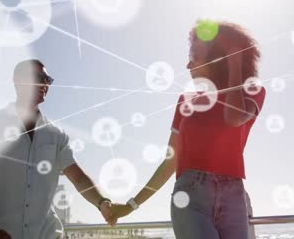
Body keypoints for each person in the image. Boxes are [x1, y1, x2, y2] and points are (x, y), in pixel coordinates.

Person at [109, 21, 266, 239]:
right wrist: (130, 205)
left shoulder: (251, 92)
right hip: (190, 195)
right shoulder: (186, 100)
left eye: (194, 57)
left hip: (234, 195)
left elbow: (233, 118)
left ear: (216, 58)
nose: (188, 65)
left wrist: (235, 64)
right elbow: (170, 161)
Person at [0, 59, 115, 239]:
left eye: (48, 79)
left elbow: (78, 177)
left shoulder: (56, 134)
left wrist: (102, 202)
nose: (44, 83)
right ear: (17, 80)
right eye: (39, 77)